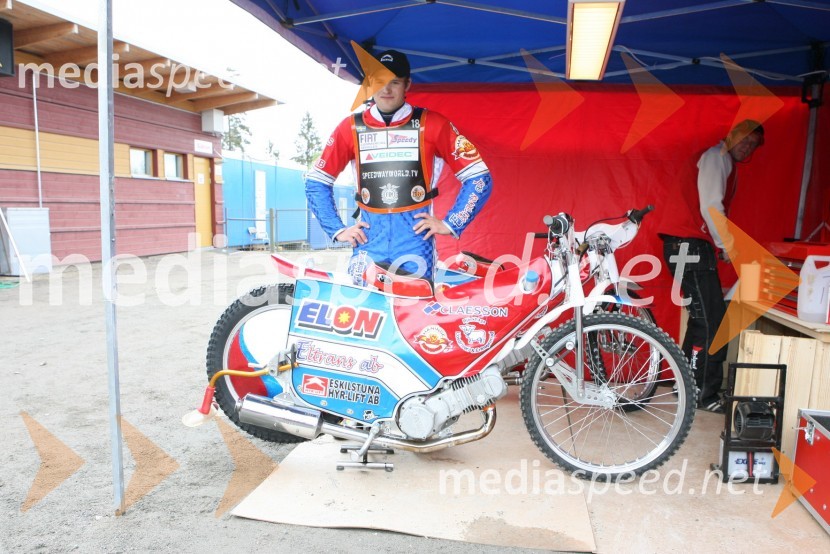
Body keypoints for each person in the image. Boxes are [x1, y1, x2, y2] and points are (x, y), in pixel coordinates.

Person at [305, 49, 492, 284]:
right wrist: (337, 229)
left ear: (407, 85)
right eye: (379, 82)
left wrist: (452, 222)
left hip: (415, 244)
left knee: (414, 313)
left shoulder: (432, 123)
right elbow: (316, 181)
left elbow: (479, 177)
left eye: (394, 82)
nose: (386, 90)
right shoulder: (350, 127)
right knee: (363, 311)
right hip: (368, 241)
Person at [659, 119, 765, 413]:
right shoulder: (717, 158)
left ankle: (687, 384)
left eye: (753, 144)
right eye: (744, 139)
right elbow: (711, 206)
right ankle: (704, 395)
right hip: (690, 245)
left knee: (701, 319)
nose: (747, 147)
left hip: (687, 245)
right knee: (713, 322)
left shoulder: (718, 159)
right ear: (731, 136)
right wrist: (727, 245)